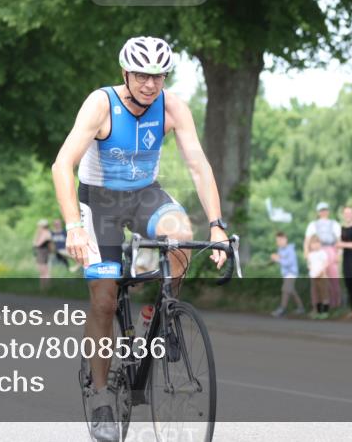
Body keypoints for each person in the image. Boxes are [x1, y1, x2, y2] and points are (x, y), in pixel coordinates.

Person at [52, 36, 228, 442]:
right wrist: (74, 225)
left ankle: (161, 313)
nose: (150, 84)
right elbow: (63, 164)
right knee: (104, 298)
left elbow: (199, 166)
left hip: (145, 195)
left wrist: (217, 224)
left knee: (181, 235)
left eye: (158, 76)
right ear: (125, 74)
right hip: (100, 202)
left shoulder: (172, 107)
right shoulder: (100, 104)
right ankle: (99, 396)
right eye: (142, 75)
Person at [303, 201, 342, 310]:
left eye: (325, 210)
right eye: (321, 210)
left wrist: (339, 253)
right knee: (316, 280)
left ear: (328, 211)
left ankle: (335, 304)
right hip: (315, 252)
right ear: (318, 212)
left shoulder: (334, 224)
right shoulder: (313, 225)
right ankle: (318, 305)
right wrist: (307, 253)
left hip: (330, 250)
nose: (323, 212)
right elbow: (307, 240)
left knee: (333, 279)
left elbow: (338, 240)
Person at [270, 231, 305, 317]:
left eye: (281, 240)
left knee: (285, 289)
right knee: (291, 291)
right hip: (285, 274)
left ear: (286, 239)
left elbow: (289, 262)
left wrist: (278, 259)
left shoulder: (290, 250)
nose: (279, 242)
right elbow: (280, 258)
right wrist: (275, 258)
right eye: (277, 241)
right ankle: (301, 308)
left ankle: (282, 309)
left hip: (291, 273)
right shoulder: (280, 249)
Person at [306, 235, 331, 319]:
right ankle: (318, 311)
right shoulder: (310, 255)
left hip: (321, 276)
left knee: (324, 294)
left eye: (317, 243)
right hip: (314, 277)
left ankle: (325, 311)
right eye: (313, 243)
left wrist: (321, 272)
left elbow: (325, 263)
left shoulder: (322, 253)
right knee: (317, 294)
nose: (315, 245)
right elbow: (309, 264)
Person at [33, 219, 53, 287]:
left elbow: (37, 244)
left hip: (43, 254)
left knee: (44, 272)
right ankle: (44, 287)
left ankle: (46, 287)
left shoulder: (45, 233)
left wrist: (37, 234)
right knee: (43, 272)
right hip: (43, 253)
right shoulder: (45, 233)